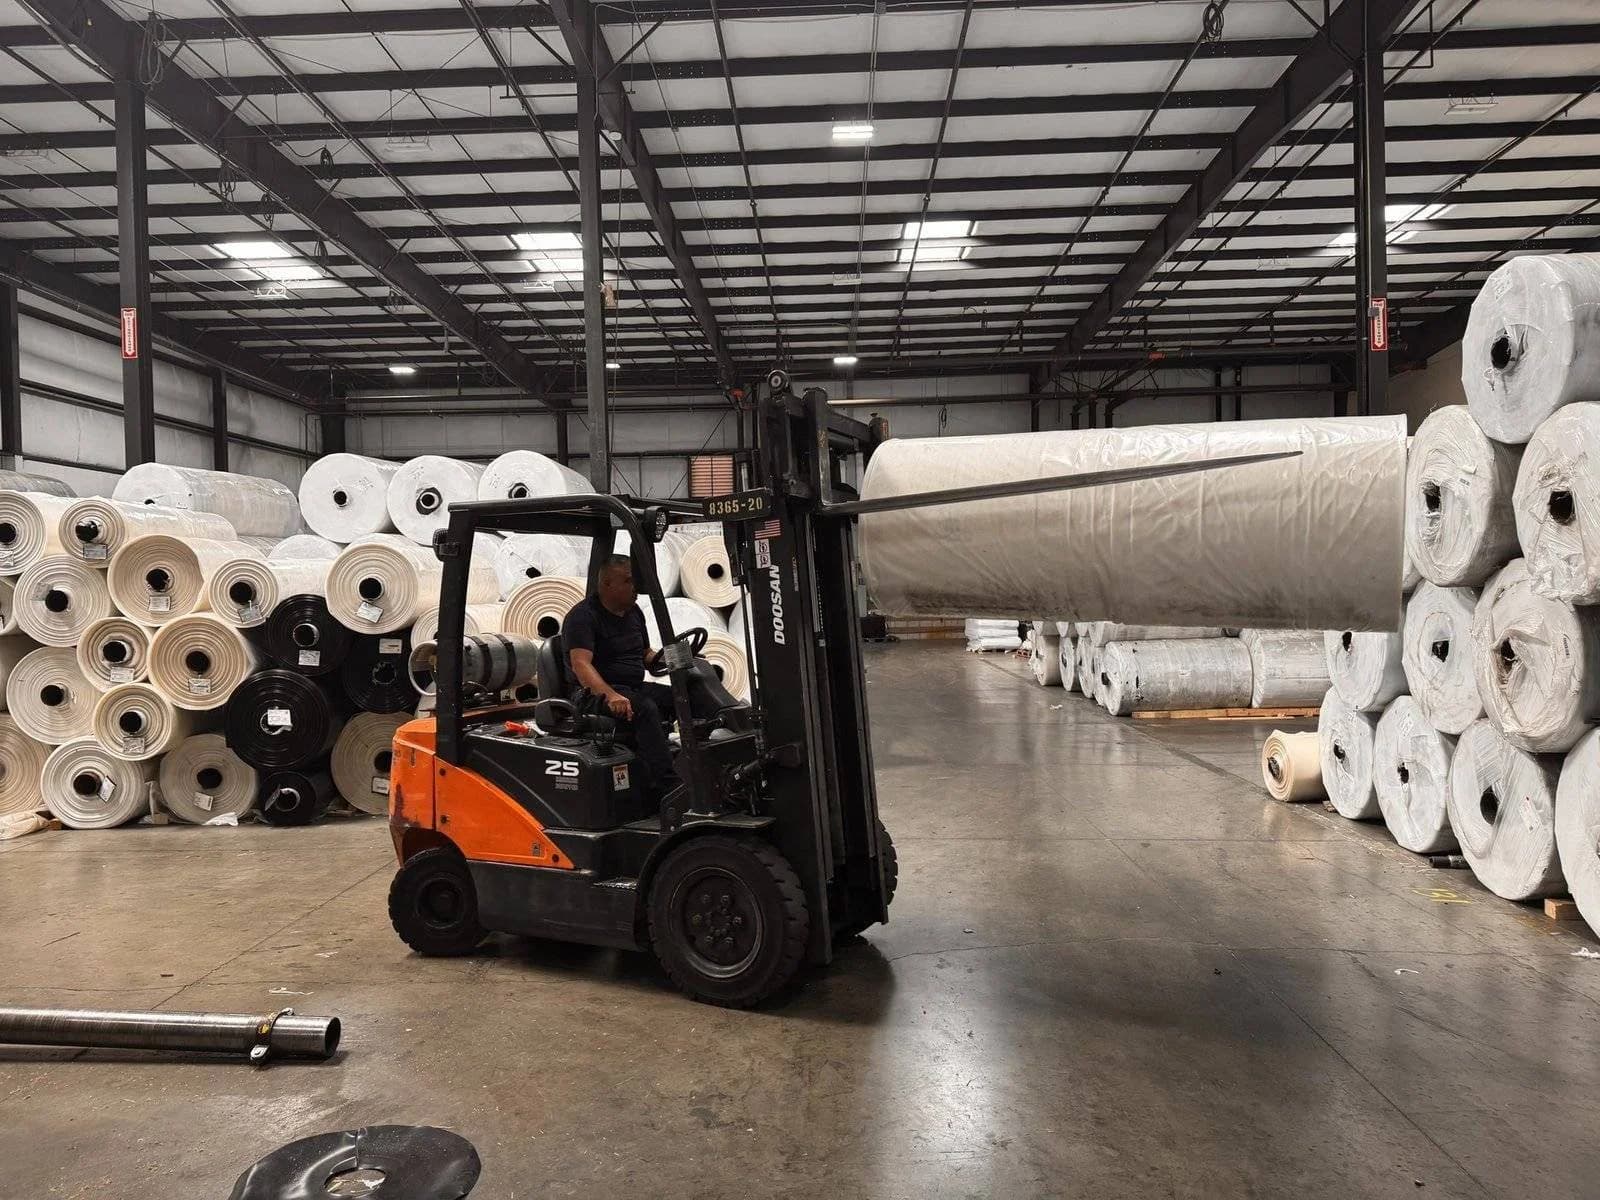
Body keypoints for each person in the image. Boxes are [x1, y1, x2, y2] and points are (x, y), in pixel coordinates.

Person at [562, 554, 681, 799]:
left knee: (686, 695)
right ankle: (669, 787)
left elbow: (645, 654)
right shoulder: (583, 616)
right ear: (607, 584)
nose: (635, 587)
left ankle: (716, 765)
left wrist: (673, 660)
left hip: (631, 687)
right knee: (645, 708)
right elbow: (581, 665)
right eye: (628, 581)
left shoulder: (633, 612)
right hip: (591, 694)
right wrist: (611, 695)